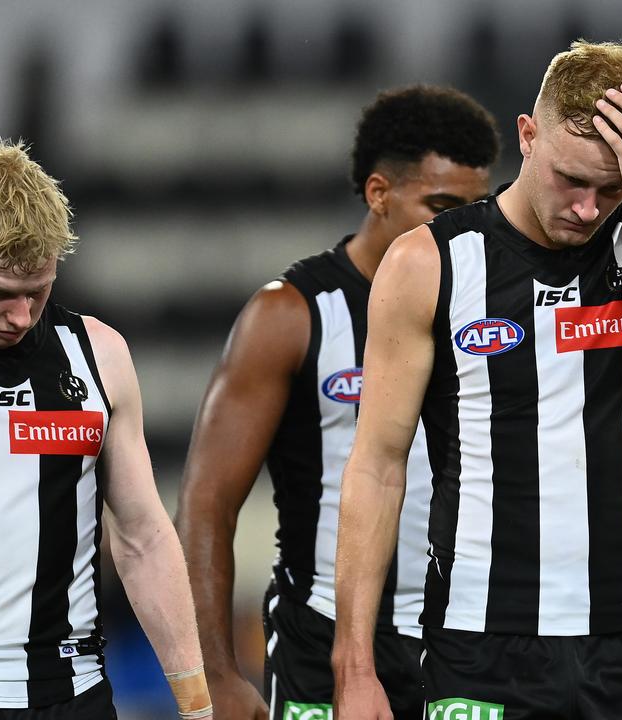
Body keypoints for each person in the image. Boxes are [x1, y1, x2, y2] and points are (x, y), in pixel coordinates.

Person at [330, 40, 622, 720]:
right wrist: (354, 666)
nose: (589, 208)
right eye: (571, 179)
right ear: (527, 138)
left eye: (611, 187)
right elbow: (377, 468)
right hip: (483, 641)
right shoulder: (430, 263)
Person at [174, 86, 500, 720]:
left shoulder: (496, 303)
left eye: (475, 208)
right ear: (378, 194)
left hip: (471, 631)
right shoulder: (289, 315)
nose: (460, 226)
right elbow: (207, 502)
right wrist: (213, 671)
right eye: (440, 205)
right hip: (322, 635)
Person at [0, 140, 210, 718]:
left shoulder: (98, 354)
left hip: (70, 692)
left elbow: (142, 536)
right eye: (0, 294)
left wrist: (196, 702)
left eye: (39, 290)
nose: (21, 316)